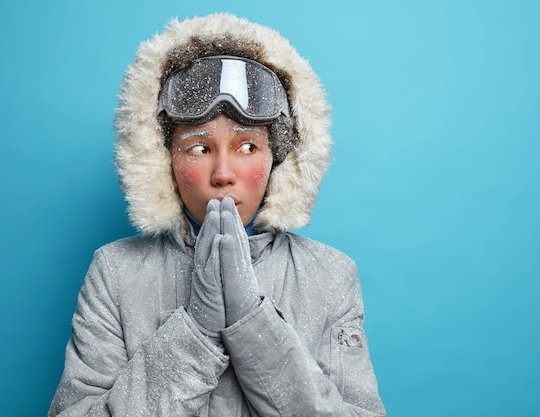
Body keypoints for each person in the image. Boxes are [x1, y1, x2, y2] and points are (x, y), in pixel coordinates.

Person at [48, 13, 386, 416]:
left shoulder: (331, 275)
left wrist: (253, 324)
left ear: (278, 157)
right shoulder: (114, 273)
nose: (224, 174)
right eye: (199, 148)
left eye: (247, 147)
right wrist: (195, 331)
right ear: (163, 160)